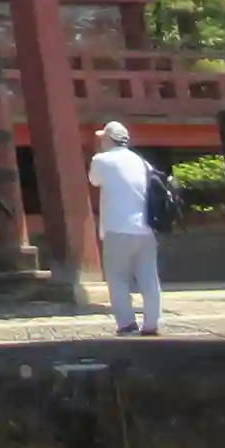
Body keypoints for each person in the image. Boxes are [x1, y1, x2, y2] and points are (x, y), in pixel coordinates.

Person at [89, 121, 161, 337]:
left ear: (108, 139)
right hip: (146, 228)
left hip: (118, 227)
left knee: (118, 278)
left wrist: (98, 153)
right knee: (149, 278)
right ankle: (151, 324)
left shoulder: (101, 160)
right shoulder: (142, 162)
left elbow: (94, 180)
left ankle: (127, 324)